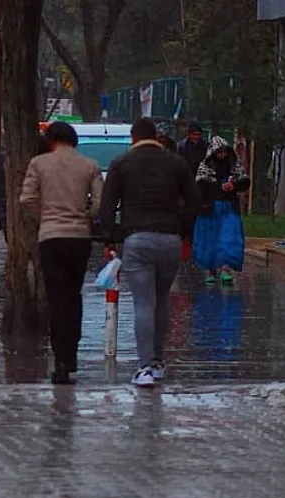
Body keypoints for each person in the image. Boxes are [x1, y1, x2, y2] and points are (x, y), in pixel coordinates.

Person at [100, 118, 201, 388]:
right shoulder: (176, 163)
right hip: (170, 241)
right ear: (155, 136)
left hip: (137, 240)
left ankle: (144, 366)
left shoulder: (121, 164)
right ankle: (158, 362)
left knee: (144, 303)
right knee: (162, 299)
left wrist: (113, 238)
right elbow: (194, 201)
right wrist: (182, 231)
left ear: (133, 138)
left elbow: (107, 208)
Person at [19, 121, 103, 385]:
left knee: (56, 299)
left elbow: (26, 199)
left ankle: (60, 362)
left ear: (50, 140)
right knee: (73, 295)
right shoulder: (89, 166)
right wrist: (85, 216)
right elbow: (99, 201)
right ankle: (72, 352)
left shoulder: (39, 164)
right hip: (79, 237)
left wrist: (45, 216)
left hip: (51, 237)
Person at [193, 136, 250, 285]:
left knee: (229, 237)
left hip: (229, 207)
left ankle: (225, 268)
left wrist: (234, 185)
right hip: (210, 209)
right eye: (219, 152)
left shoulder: (233, 164)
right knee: (210, 240)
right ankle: (211, 269)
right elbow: (200, 186)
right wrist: (218, 188)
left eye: (224, 152)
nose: (222, 155)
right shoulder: (205, 167)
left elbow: (244, 180)